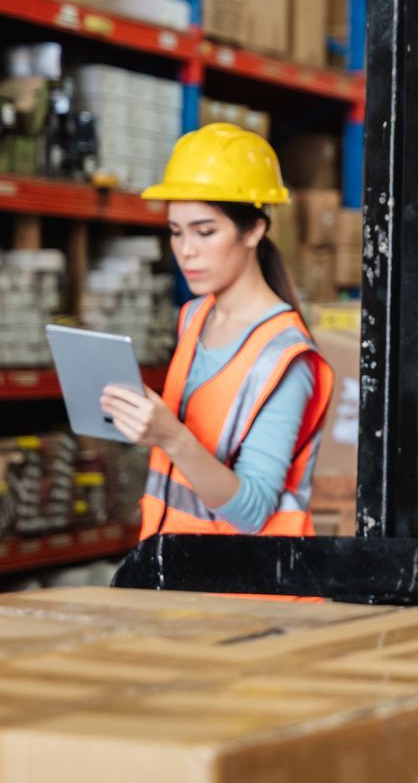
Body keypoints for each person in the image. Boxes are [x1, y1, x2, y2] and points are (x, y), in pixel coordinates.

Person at [99, 123, 335, 541]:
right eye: (176, 232)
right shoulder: (194, 317)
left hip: (248, 595)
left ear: (254, 230)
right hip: (176, 580)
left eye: (205, 231)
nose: (186, 250)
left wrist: (171, 436)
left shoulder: (285, 357)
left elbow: (252, 513)